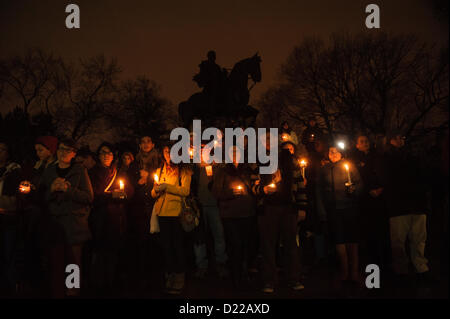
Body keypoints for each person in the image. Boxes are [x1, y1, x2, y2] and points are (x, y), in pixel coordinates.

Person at [34, 138, 93, 298]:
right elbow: (41, 198)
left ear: (73, 153)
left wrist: (69, 190)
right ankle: (58, 291)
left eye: (68, 150)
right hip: (55, 224)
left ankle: (73, 291)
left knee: (73, 263)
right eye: (61, 149)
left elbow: (88, 197)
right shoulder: (49, 171)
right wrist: (51, 190)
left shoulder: (80, 170)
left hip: (74, 224)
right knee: (57, 261)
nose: (63, 152)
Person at [254, 134, 305, 294]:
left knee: (291, 244)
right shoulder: (258, 160)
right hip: (268, 208)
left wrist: (302, 207)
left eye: (271, 140)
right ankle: (269, 280)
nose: (268, 143)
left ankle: (294, 278)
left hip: (288, 207)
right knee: (268, 246)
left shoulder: (289, 159)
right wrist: (262, 189)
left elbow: (299, 183)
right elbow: (252, 183)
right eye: (265, 140)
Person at [384, 132, 431, 284]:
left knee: (418, 240)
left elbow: (423, 174)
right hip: (399, 205)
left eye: (402, 138)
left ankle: (420, 269)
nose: (401, 140)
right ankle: (401, 270)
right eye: (397, 137)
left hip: (415, 204)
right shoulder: (387, 157)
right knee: (398, 241)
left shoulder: (414, 156)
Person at [88, 142, 133, 295]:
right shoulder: (92, 173)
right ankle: (98, 285)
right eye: (102, 152)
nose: (106, 155)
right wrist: (110, 196)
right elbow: (92, 194)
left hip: (117, 218)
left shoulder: (119, 172)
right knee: (100, 252)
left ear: (113, 156)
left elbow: (129, 192)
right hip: (100, 219)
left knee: (115, 252)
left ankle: (113, 284)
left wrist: (123, 195)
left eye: (109, 153)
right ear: (98, 155)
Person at [316, 144, 363, 289]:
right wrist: (322, 210)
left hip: (349, 208)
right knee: (339, 239)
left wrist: (353, 189)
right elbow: (319, 192)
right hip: (333, 209)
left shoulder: (349, 166)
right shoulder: (324, 169)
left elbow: (359, 184)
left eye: (336, 151)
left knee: (352, 238)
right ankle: (344, 271)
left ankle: (354, 272)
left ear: (342, 153)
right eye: (330, 151)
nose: (333, 153)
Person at [211, 145, 256, 291]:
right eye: (233, 152)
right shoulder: (222, 171)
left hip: (247, 213)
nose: (235, 154)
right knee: (235, 245)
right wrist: (231, 194)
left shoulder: (247, 170)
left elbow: (255, 188)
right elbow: (216, 192)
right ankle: (236, 276)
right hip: (230, 215)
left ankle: (244, 273)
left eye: (238, 152)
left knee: (245, 245)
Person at [151, 143, 192, 295]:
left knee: (177, 246)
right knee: (166, 247)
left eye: (171, 151)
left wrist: (166, 187)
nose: (168, 154)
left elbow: (185, 191)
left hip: (176, 213)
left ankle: (179, 277)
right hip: (161, 212)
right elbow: (153, 193)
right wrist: (155, 190)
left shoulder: (184, 170)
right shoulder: (159, 170)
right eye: (166, 151)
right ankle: (170, 274)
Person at [127, 136, 161, 292]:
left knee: (156, 243)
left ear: (153, 144)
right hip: (139, 208)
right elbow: (128, 185)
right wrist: (138, 183)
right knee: (141, 242)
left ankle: (156, 277)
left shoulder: (159, 162)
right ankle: (141, 277)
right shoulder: (134, 164)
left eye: (149, 141)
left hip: (156, 207)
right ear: (139, 145)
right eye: (143, 142)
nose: (146, 144)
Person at [350, 134, 389, 268]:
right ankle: (372, 263)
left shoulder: (378, 156)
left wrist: (381, 188)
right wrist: (367, 189)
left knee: (382, 229)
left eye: (366, 140)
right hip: (366, 199)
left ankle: (384, 261)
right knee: (369, 230)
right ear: (357, 145)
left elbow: (384, 173)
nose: (365, 143)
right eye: (362, 141)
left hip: (380, 197)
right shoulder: (355, 160)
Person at [191, 150, 228, 280]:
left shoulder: (218, 168)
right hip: (199, 206)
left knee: (219, 235)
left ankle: (221, 263)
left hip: (215, 206)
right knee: (199, 237)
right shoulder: (195, 169)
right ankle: (201, 265)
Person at [0, 141, 22, 294]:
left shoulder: (14, 171)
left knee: (9, 252)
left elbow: (16, 195)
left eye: (2, 149)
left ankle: (11, 285)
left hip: (8, 217)